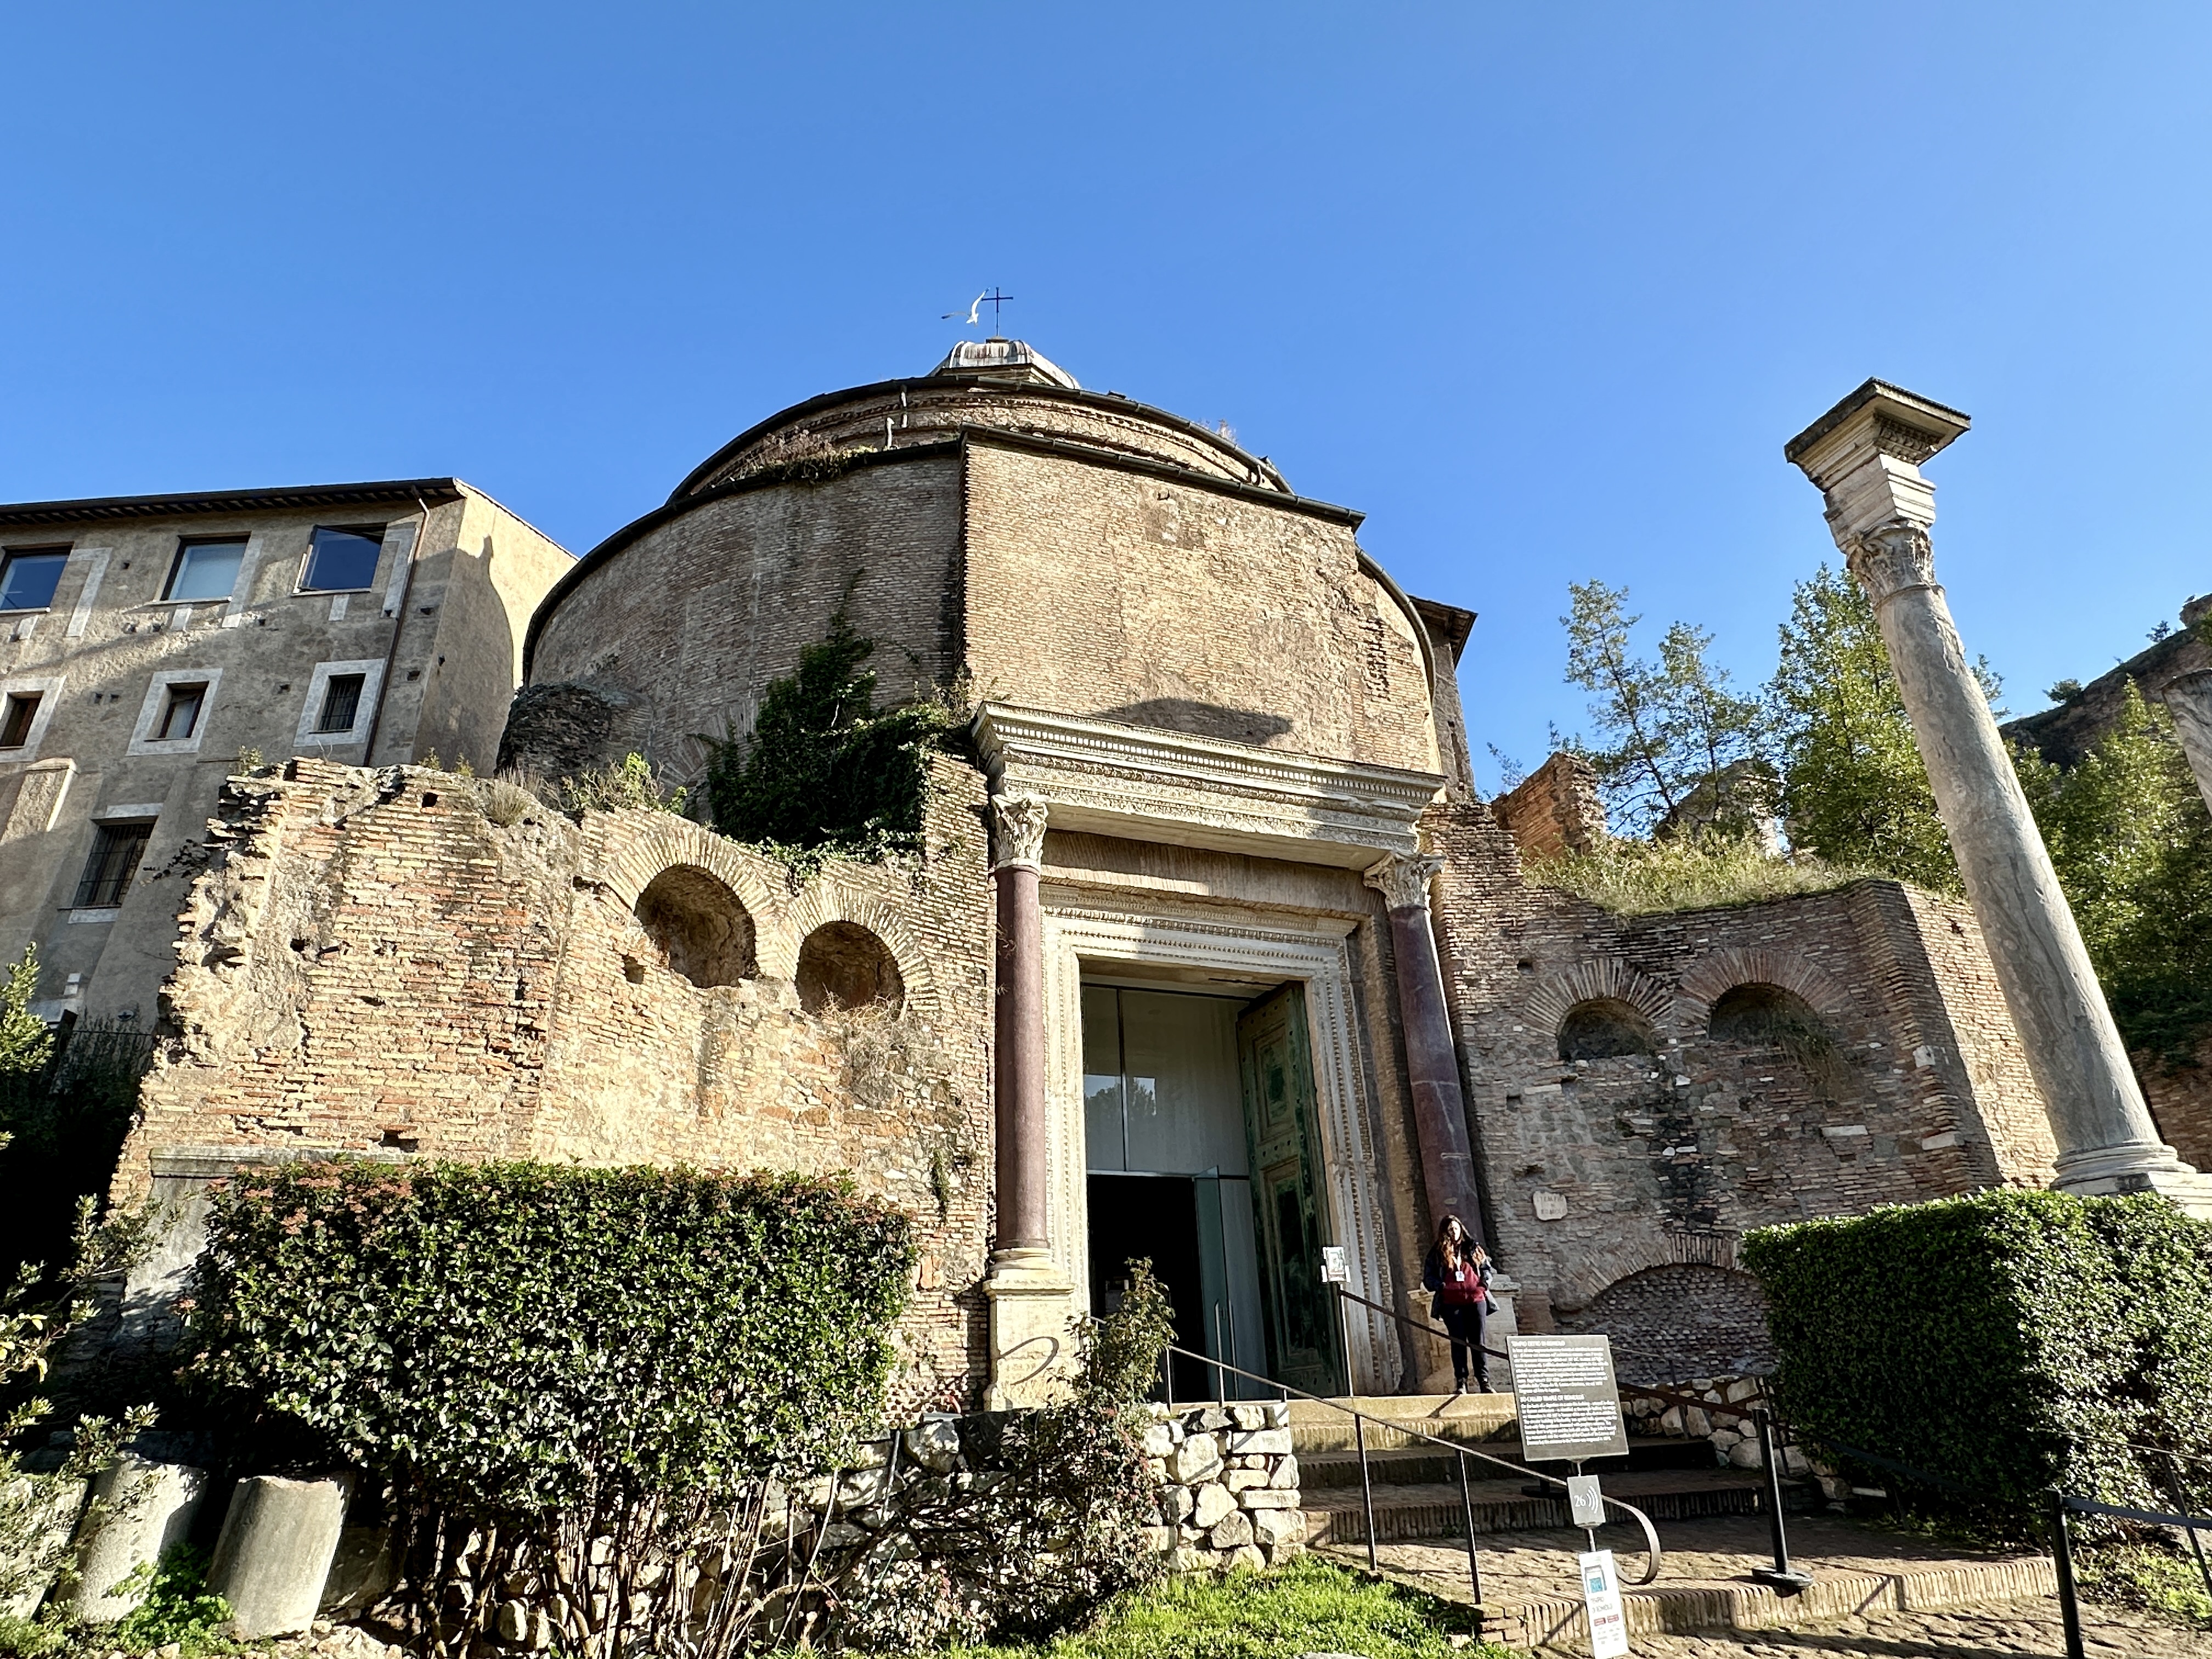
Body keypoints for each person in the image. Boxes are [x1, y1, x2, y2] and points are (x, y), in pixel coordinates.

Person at [1421, 1214, 1494, 1393]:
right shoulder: (1437, 1253)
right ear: (1444, 1232)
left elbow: (1486, 1269)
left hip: (1476, 1300)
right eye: (1450, 1230)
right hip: (1451, 1303)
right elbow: (1428, 1278)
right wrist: (1441, 1286)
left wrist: (1483, 1286)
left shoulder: (1473, 1248)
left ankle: (1484, 1381)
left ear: (1461, 1229)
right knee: (1458, 1342)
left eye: (1456, 1228)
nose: (1454, 1232)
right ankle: (1461, 1382)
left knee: (1478, 1342)